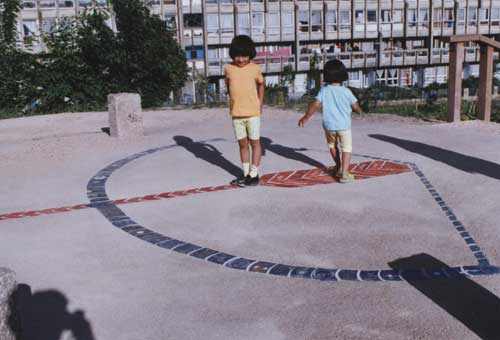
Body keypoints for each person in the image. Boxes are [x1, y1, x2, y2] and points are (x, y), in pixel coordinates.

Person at [298, 59, 362, 183]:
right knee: (346, 148)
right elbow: (355, 106)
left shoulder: (324, 90)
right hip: (344, 126)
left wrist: (305, 117)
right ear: (343, 75)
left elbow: (315, 104)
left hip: (329, 126)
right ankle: (344, 173)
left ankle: (337, 166)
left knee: (332, 146)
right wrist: (359, 110)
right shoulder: (346, 91)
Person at [224, 35, 265, 186]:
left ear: (251, 54)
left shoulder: (255, 68)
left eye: (244, 56)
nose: (240, 59)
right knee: (242, 145)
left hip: (253, 114)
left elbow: (261, 84)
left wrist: (260, 103)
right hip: (236, 115)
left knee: (255, 143)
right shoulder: (228, 68)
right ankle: (246, 173)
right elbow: (229, 86)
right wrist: (233, 101)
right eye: (237, 56)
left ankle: (254, 174)